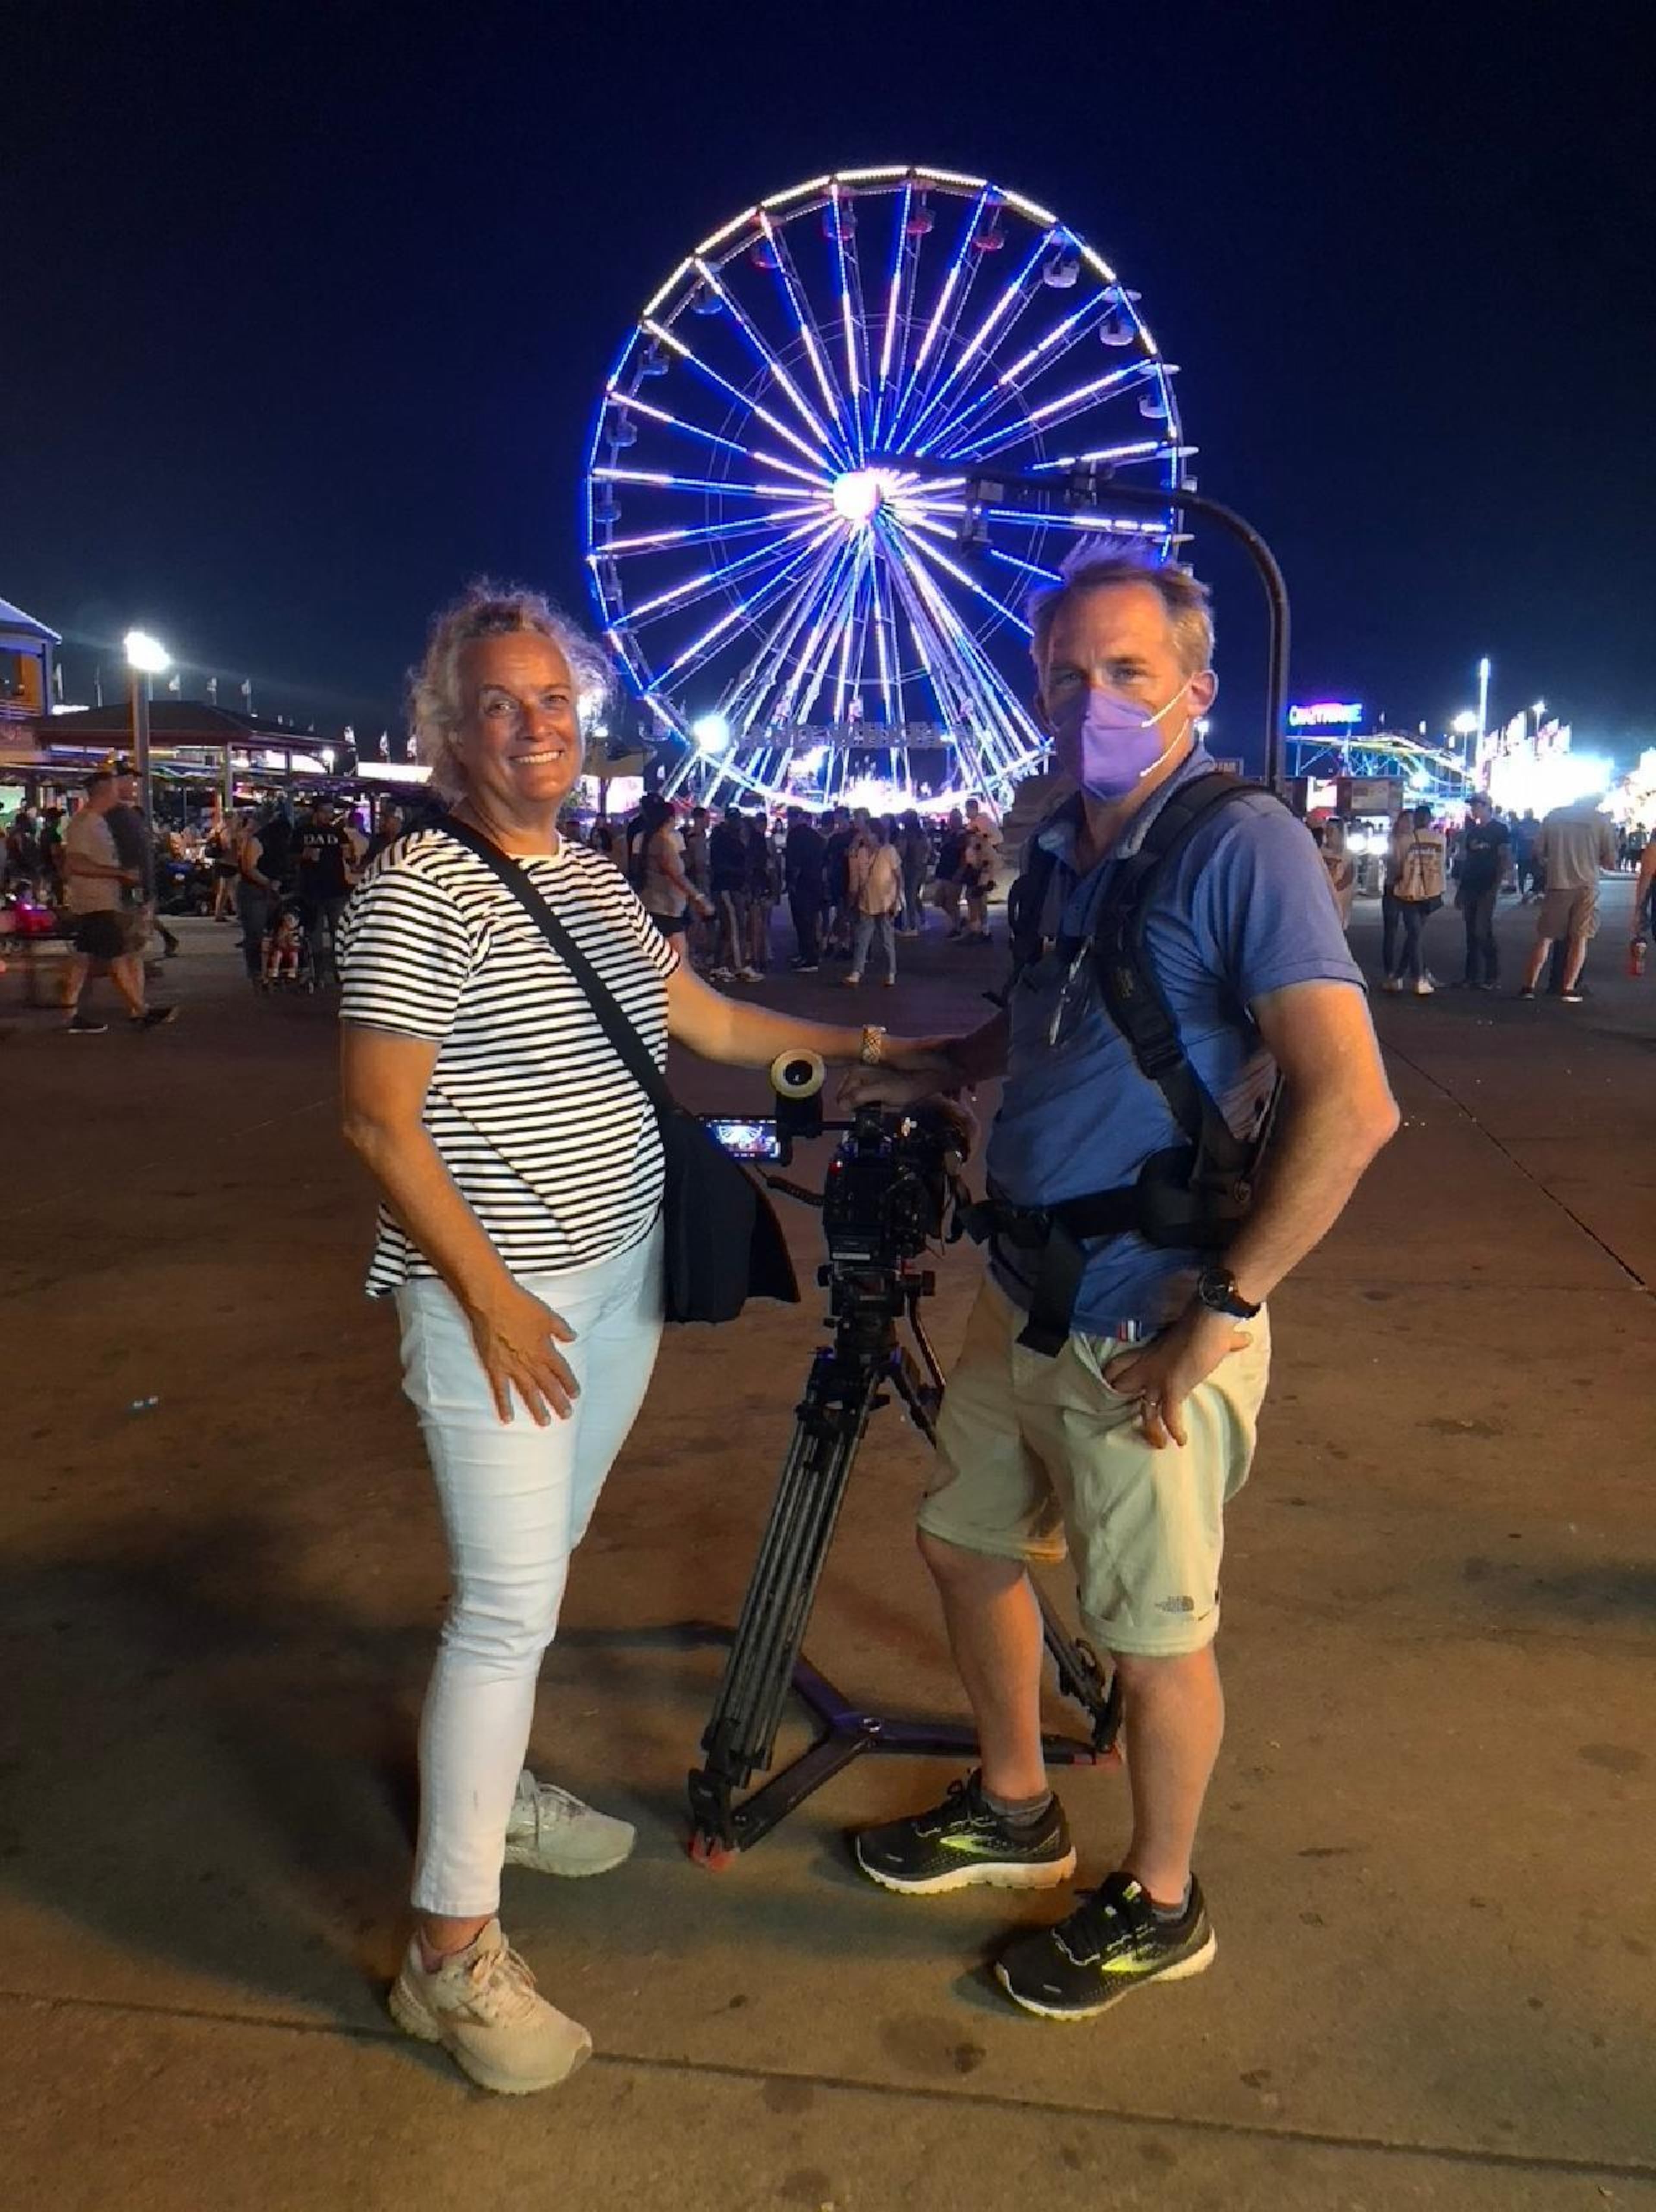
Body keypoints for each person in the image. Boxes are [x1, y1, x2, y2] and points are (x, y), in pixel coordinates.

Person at [337, 582, 944, 2095]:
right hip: (504, 1301)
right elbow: (377, 1118)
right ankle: (447, 1952)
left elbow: (702, 1018)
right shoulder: (418, 888)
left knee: (529, 1588)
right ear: (447, 726)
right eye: (498, 703)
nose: (533, 726)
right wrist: (486, 1295)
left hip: (613, 1280)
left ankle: (493, 1790)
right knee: (503, 1608)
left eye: (553, 700)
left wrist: (873, 1052)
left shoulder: (598, 878)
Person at [840, 544, 1396, 2024]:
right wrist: (919, 1069)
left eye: (1129, 673)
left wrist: (1225, 1315)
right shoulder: (1068, 850)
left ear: (1195, 690)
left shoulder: (1241, 844)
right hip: (1023, 1291)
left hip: (1150, 1320)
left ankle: (1163, 1898)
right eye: (1069, 675)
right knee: (965, 1548)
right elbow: (1047, 1034)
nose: (1094, 698)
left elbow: (1354, 1106)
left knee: (1153, 1638)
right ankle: (1018, 1805)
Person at [60, 771, 177, 1033]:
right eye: (115, 788)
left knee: (85, 958)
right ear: (104, 791)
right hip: (95, 900)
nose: (120, 792)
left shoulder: (98, 822)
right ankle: (141, 1010)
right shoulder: (85, 823)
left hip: (101, 899)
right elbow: (75, 863)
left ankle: (71, 1013)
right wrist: (119, 874)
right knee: (117, 957)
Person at [1519, 795, 1617, 1002]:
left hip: (1557, 883)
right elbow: (1610, 860)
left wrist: (1554, 863)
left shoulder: (1554, 816)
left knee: (1545, 937)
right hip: (1586, 886)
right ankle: (1568, 988)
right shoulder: (1600, 820)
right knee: (1580, 938)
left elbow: (1538, 851)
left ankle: (1528, 987)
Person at [107, 764, 182, 961]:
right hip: (127, 889)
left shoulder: (128, 816)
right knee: (128, 949)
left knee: (130, 948)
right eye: (130, 780)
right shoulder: (115, 817)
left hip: (134, 888)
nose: (134, 786)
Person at [1381, 805, 1446, 994]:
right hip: (1431, 891)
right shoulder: (1440, 839)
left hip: (1408, 890)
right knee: (1415, 934)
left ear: (1416, 820)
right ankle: (1415, 977)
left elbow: (1398, 866)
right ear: (1430, 819)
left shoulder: (1404, 840)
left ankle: (1405, 976)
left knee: (1414, 934)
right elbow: (1442, 864)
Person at [1451, 793, 1511, 990]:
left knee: (1482, 930)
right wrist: (1461, 889)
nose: (1474, 810)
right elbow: (1468, 860)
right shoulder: (1473, 831)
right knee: (1471, 932)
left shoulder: (1500, 830)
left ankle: (1492, 976)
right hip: (1471, 885)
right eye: (1473, 806)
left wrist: (1497, 883)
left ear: (1487, 807)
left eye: (1476, 806)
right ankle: (1472, 976)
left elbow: (1504, 858)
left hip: (1487, 885)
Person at [296, 796, 356, 985]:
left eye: (331, 812)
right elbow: (290, 856)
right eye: (325, 811)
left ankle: (340, 972)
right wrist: (304, 855)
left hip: (336, 888)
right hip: (311, 889)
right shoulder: (302, 832)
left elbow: (349, 858)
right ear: (315, 812)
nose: (329, 816)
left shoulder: (339, 833)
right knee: (314, 934)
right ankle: (318, 973)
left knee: (338, 932)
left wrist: (351, 854)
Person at [634, 793, 707, 945]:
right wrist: (699, 899)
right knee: (679, 961)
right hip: (666, 907)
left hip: (657, 905)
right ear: (669, 820)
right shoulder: (663, 843)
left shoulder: (646, 839)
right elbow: (678, 875)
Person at [845, 815, 902, 987]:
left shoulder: (889, 851)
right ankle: (857, 971)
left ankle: (891, 972)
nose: (865, 836)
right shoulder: (861, 853)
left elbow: (899, 877)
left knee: (886, 939)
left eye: (867, 832)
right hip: (867, 900)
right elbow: (854, 870)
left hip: (885, 901)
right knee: (863, 938)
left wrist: (896, 900)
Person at [706, 804, 756, 982]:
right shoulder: (723, 839)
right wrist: (741, 873)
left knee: (727, 928)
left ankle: (719, 965)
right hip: (727, 886)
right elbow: (720, 865)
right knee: (736, 927)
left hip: (732, 886)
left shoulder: (729, 838)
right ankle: (739, 966)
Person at [235, 809, 281, 987]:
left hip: (262, 890)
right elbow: (248, 868)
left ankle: (267, 971)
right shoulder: (253, 840)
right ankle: (256, 973)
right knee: (255, 934)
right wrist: (269, 883)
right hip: (254, 890)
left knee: (268, 934)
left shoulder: (257, 840)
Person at [783, 807, 827, 971]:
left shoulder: (795, 836)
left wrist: (791, 883)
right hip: (815, 883)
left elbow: (795, 863)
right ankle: (809, 954)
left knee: (802, 921)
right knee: (811, 920)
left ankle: (808, 958)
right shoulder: (816, 836)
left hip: (802, 884)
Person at [743, 810, 779, 974]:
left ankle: (757, 959)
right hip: (764, 887)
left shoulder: (752, 846)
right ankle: (763, 956)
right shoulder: (765, 844)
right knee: (763, 924)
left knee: (757, 925)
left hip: (757, 888)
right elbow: (772, 869)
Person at [932, 807, 967, 934]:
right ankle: (958, 920)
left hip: (954, 871)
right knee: (939, 900)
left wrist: (961, 870)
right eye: (952, 819)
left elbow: (964, 855)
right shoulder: (948, 834)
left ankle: (957, 926)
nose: (953, 821)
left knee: (952, 901)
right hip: (944, 870)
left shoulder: (963, 836)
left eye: (956, 819)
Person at [897, 810, 931, 935]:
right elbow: (928, 849)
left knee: (909, 896)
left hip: (910, 866)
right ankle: (923, 920)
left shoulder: (905, 834)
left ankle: (912, 926)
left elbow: (903, 851)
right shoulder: (922, 833)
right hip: (921, 867)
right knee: (915, 895)